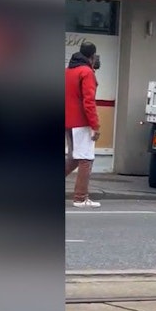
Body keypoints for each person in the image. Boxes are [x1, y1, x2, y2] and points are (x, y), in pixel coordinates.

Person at [65, 42, 101, 208]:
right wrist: (95, 125)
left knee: (74, 158)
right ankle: (80, 198)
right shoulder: (86, 72)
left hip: (68, 121)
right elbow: (89, 102)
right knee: (86, 159)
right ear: (92, 56)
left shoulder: (68, 71)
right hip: (81, 122)